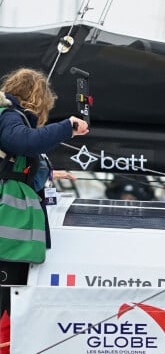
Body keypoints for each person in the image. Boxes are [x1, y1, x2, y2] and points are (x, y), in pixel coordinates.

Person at [0, 67, 89, 343]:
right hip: (7, 236)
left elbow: (15, 162)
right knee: (6, 301)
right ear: (36, 99)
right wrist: (67, 127)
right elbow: (22, 143)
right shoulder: (9, 117)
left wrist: (50, 173)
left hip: (9, 237)